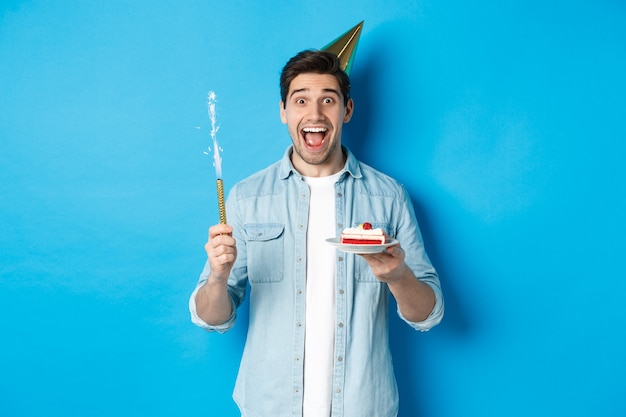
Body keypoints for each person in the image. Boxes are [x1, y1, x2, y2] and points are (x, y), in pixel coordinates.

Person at [189, 50, 444, 417]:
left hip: (362, 406)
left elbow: (429, 314)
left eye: (328, 100)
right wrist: (217, 277)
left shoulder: (389, 197)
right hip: (268, 406)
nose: (314, 114)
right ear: (284, 112)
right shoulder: (247, 197)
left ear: (347, 110)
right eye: (301, 100)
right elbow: (212, 318)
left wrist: (398, 276)